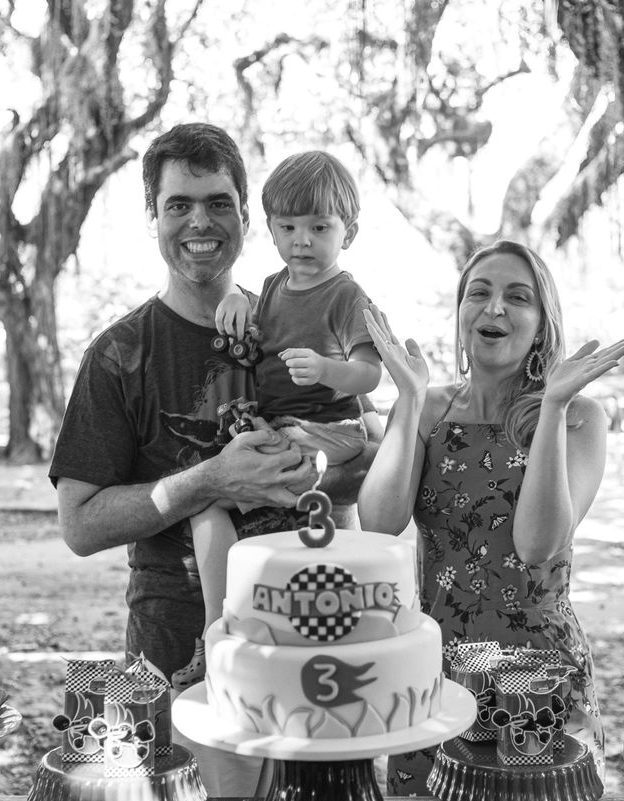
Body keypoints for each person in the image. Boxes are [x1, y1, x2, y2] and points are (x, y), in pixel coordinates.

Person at [49, 122, 378, 796]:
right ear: (154, 218)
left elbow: (363, 457)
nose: (199, 221)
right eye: (178, 205)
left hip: (311, 633)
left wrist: (312, 471)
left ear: (244, 214)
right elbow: (79, 525)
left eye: (217, 202)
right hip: (173, 645)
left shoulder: (295, 321)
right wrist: (212, 481)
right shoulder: (118, 355)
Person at [357, 239, 624, 794]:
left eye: (518, 297)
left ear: (542, 322)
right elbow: (380, 522)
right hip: (437, 674)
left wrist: (553, 406)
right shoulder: (427, 407)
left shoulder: (578, 416)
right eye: (478, 293)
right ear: (460, 312)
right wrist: (408, 397)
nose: (495, 308)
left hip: (540, 678)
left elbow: (538, 545)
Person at [172, 150, 382, 690]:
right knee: (207, 501)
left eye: (319, 227)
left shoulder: (346, 295)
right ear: (269, 229)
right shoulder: (269, 288)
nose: (302, 241)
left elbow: (369, 375)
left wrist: (328, 369)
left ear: (349, 233)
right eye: (288, 227)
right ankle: (217, 628)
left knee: (292, 470)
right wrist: (240, 305)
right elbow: (253, 339)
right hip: (279, 424)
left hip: (331, 430)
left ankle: (315, 615)